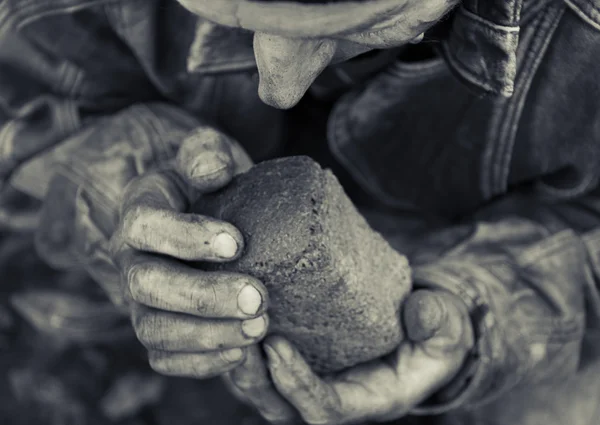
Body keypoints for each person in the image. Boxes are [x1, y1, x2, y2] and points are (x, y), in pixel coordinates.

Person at [1, 0, 599, 424]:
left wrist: (481, 313)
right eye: (234, 12)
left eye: (347, 15)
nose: (276, 85)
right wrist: (126, 174)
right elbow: (19, 114)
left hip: (497, 236)